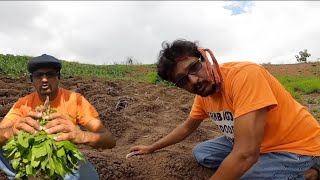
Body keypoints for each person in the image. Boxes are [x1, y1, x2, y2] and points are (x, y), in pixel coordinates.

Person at [130, 39, 320, 179]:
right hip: (259, 144)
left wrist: (239, 162)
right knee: (202, 153)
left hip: (298, 146)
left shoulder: (245, 75)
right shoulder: (204, 95)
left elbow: (246, 154)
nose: (194, 80)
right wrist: (151, 147)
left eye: (194, 67)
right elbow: (186, 127)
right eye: (182, 80)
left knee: (245, 175)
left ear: (206, 58)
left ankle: (310, 171)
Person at [0, 54, 116, 180]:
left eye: (50, 74)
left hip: (63, 161)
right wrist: (10, 132)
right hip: (29, 160)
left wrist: (81, 136)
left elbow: (109, 140)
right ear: (31, 79)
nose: (44, 79)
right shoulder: (23, 104)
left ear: (58, 77)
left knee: (86, 174)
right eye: (38, 75)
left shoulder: (75, 100)